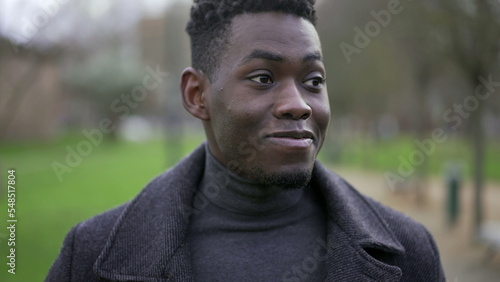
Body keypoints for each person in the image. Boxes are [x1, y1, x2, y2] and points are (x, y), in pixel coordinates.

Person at [46, 0, 446, 281]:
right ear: (196, 95)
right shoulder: (90, 256)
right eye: (263, 78)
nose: (298, 105)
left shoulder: (409, 253)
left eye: (313, 81)